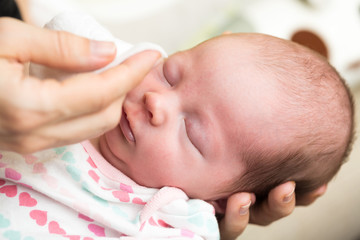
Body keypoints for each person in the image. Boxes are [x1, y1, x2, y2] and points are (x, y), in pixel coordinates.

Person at [0, 13, 331, 240]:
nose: (156, 102)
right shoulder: (105, 75)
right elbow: (61, 30)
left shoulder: (175, 222)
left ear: (219, 200)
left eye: (191, 133)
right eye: (170, 73)